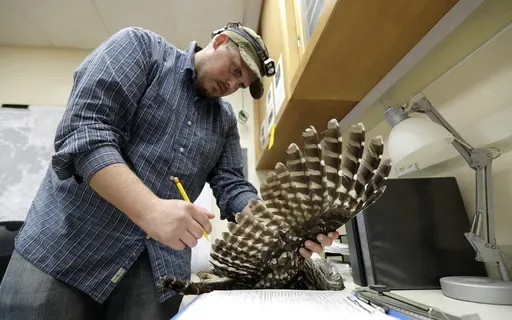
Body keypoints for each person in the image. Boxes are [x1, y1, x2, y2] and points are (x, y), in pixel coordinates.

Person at [0, 22, 338, 319]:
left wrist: (276, 225)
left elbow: (233, 185)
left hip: (154, 272)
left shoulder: (224, 122)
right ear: (219, 41)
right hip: (66, 246)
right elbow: (85, 133)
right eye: (235, 70)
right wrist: (150, 210)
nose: (232, 86)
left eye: (241, 84)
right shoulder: (140, 50)